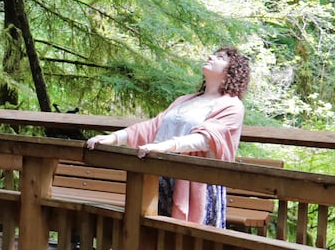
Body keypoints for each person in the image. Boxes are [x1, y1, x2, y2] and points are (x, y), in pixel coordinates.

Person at [85, 47, 250, 226]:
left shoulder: (232, 106)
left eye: (220, 57)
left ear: (232, 71)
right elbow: (151, 127)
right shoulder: (185, 100)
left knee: (190, 245)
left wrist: (164, 146)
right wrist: (112, 138)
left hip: (199, 182)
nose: (210, 57)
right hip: (163, 177)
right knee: (154, 237)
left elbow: (205, 139)